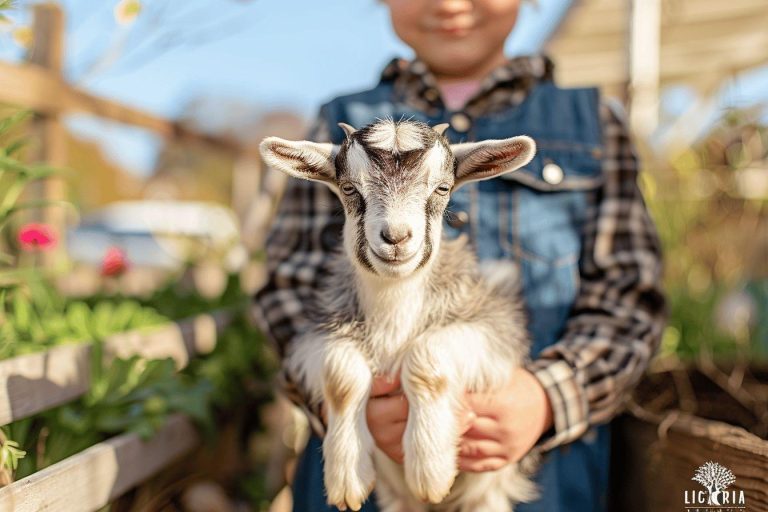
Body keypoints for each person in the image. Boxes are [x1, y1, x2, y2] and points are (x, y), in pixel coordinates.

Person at [252, 0, 666, 510]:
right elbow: (287, 287)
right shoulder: (337, 123)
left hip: (537, 484)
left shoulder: (594, 123)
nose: (449, 3)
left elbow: (630, 296)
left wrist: (547, 398)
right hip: (363, 485)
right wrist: (347, 404)